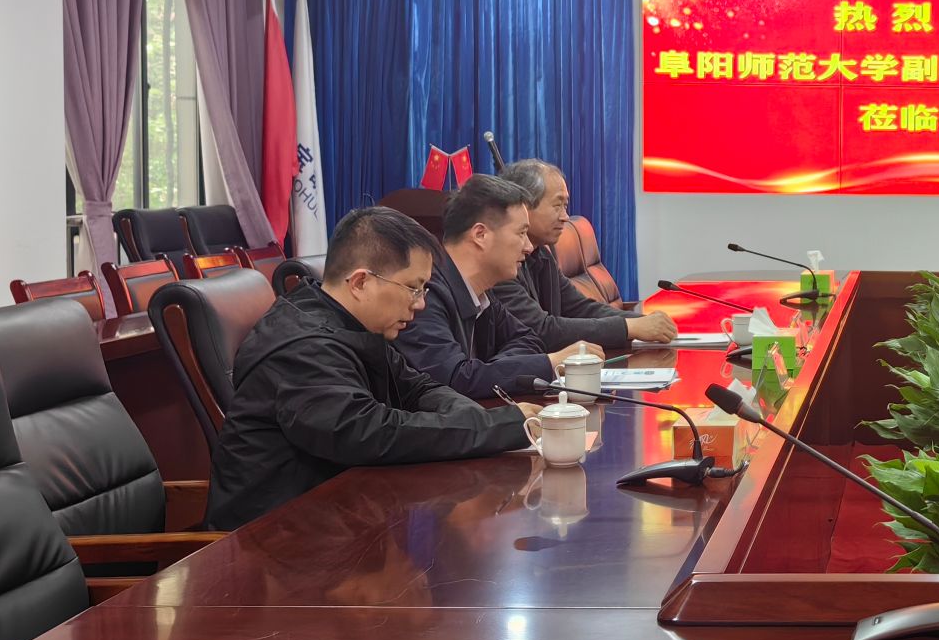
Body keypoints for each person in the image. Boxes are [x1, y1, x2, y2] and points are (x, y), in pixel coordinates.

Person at [204, 206, 537, 532]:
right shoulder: (303, 347)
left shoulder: (352, 326)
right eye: (413, 287)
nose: (421, 303)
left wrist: (475, 420)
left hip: (334, 520)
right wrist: (498, 426)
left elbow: (419, 387)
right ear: (361, 282)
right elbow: (369, 432)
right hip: (270, 540)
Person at [394, 173, 602, 400]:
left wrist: (488, 371)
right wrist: (551, 362)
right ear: (480, 235)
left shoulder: (483, 293)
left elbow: (528, 338)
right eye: (521, 233)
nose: (528, 246)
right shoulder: (425, 295)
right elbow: (453, 380)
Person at [494, 159, 677, 351]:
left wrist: (645, 322)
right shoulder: (500, 266)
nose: (565, 216)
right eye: (557, 206)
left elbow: (580, 308)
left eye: (565, 206)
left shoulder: (543, 255)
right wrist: (628, 327)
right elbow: (540, 330)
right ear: (523, 207)